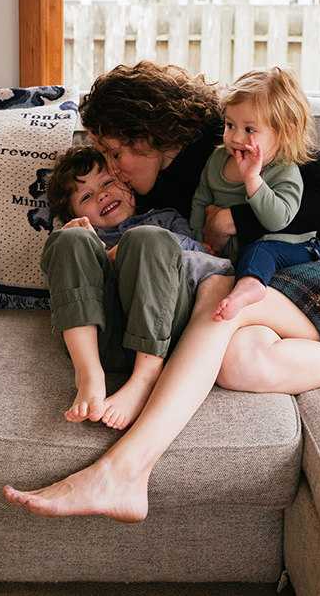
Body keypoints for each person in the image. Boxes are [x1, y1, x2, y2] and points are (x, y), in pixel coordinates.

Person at [4, 61, 320, 523]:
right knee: (238, 362)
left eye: (115, 152)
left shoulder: (237, 137)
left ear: (149, 135)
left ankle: (126, 470)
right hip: (283, 288)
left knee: (219, 295)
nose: (112, 169)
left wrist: (235, 215)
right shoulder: (147, 196)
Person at [41, 145, 232, 430]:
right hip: (103, 337)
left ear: (128, 186)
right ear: (75, 211)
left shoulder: (164, 218)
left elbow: (199, 261)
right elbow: (64, 289)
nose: (102, 195)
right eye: (86, 196)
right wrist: (95, 252)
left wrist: (123, 252)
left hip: (164, 332)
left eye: (107, 182)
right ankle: (89, 374)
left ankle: (145, 379)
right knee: (66, 240)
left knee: (146, 238)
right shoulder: (86, 237)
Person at [190, 67, 320, 321]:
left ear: (286, 133)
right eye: (230, 125)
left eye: (249, 130)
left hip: (292, 248)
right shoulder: (218, 159)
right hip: (238, 247)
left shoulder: (284, 168)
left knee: (257, 251)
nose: (235, 137)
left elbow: (277, 220)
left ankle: (250, 286)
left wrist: (252, 179)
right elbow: (201, 201)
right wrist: (200, 242)